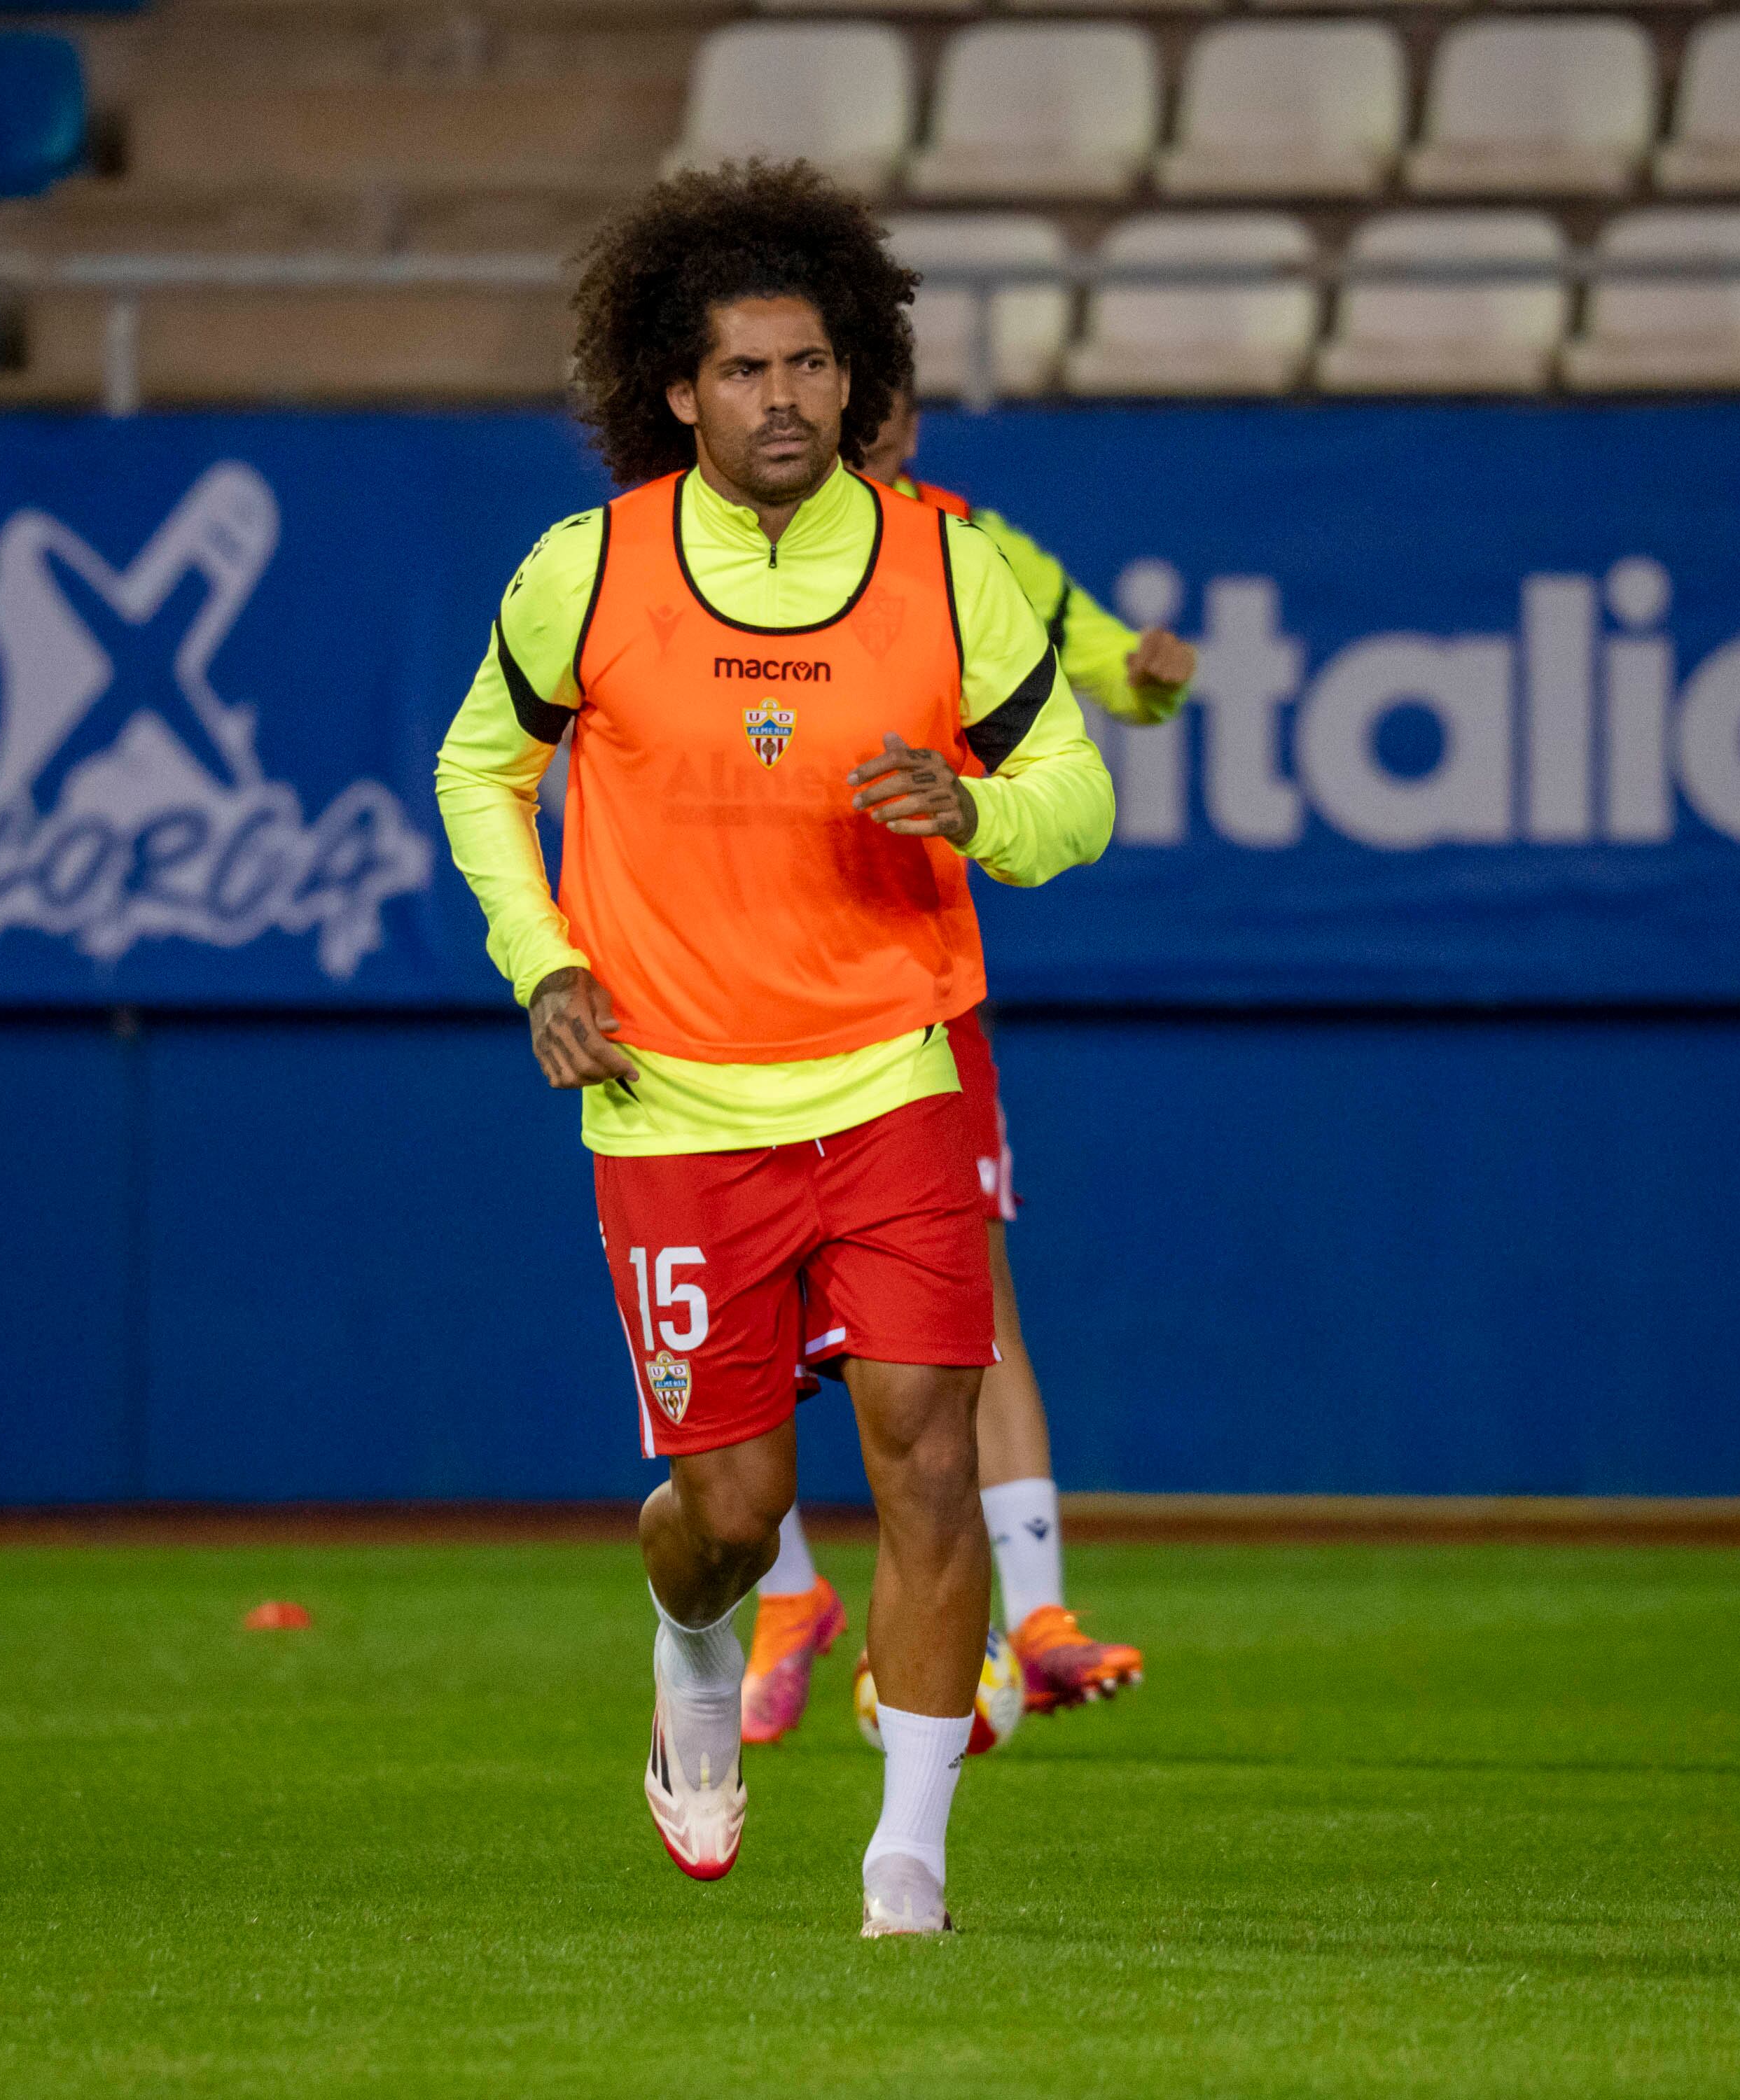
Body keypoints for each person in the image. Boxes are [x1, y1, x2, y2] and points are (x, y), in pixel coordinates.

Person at [431, 164, 1113, 1936]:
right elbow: (477, 775)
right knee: (727, 1511)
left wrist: (971, 807)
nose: (786, 399)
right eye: (746, 372)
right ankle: (693, 1647)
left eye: (812, 365)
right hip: (670, 1105)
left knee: (928, 1453)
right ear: (678, 390)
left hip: (894, 1074)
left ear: (856, 372)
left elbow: (1080, 791)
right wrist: (541, 964)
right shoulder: (587, 571)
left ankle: (909, 1865)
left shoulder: (944, 568)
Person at [739, 388, 1197, 1746]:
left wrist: (1145, 684)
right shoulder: (690, 551)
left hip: (904, 990)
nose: (829, 416)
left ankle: (1039, 1616)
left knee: (966, 1300)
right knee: (737, 1306)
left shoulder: (959, 546)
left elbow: (1094, 662)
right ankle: (785, 1595)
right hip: (724, 992)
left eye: (858, 393)